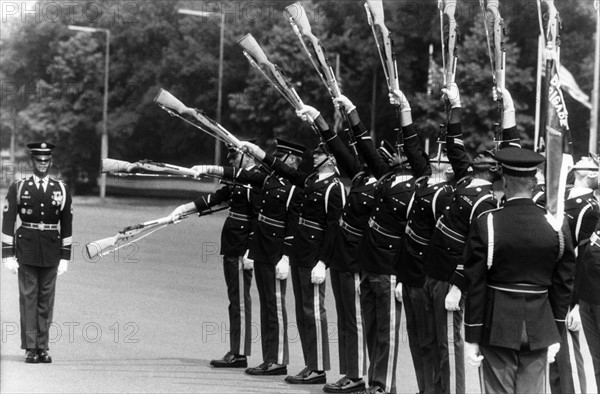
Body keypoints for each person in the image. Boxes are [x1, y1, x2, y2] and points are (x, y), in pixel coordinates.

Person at [334, 88, 429, 394]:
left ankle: (382, 385)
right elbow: (365, 148)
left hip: (390, 267)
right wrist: (351, 113)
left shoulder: (420, 184)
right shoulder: (387, 177)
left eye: (404, 150)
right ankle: (372, 379)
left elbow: (414, 148)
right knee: (373, 329)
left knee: (386, 333)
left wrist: (406, 112)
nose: (399, 151)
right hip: (369, 262)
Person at [463, 147, 576, 394]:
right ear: (534, 183)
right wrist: (556, 331)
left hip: (498, 323)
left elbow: (475, 283)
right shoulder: (557, 224)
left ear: (504, 180)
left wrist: (472, 335)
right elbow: (564, 281)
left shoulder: (488, 222)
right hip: (541, 323)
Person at [242, 130, 345, 385]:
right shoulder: (310, 180)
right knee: (302, 312)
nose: (315, 155)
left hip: (314, 256)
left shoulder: (334, 187)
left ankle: (319, 367)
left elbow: (334, 229)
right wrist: (259, 154)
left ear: (331, 159)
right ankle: (311, 364)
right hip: (300, 252)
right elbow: (286, 172)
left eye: (320, 153)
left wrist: (324, 262)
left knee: (313, 312)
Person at [194, 139, 305, 376]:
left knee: (274, 305)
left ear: (292, 160)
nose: (276, 160)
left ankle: (278, 359)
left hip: (274, 251)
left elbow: (292, 225)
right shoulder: (269, 181)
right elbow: (240, 177)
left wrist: (285, 255)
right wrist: (209, 169)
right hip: (261, 249)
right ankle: (269, 358)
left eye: (281, 157)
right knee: (267, 305)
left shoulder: (295, 186)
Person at [295, 101, 373, 393]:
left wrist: (322, 260)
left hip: (356, 260)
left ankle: (358, 375)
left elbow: (333, 225)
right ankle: (349, 372)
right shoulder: (361, 179)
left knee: (353, 320)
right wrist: (319, 119)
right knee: (345, 320)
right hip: (342, 258)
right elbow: (339, 147)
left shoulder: (376, 184)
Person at [170, 145, 262, 368]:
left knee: (240, 301)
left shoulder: (257, 179)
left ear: (248, 157)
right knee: (234, 300)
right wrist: (184, 208)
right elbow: (216, 198)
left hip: (242, 248)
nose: (232, 160)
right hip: (231, 245)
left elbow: (261, 218)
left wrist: (252, 250)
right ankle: (235, 350)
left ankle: (239, 353)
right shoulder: (238, 180)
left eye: (236, 156)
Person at [2, 142, 73, 363]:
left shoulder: (60, 188)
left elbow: (67, 224)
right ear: (32, 162)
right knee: (28, 299)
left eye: (46, 161)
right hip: (27, 248)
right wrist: (6, 254)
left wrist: (65, 256)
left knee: (46, 300)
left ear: (50, 162)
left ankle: (43, 347)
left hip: (51, 249)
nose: (42, 165)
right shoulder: (19, 187)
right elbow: (8, 220)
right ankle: (30, 348)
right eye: (38, 161)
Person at [550, 155, 600, 394]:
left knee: (569, 357)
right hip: (548, 284)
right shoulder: (559, 196)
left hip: (569, 291)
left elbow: (583, 259)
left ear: (592, 173)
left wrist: (577, 303)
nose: (582, 158)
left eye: (589, 160)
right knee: (554, 360)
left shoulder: (589, 209)